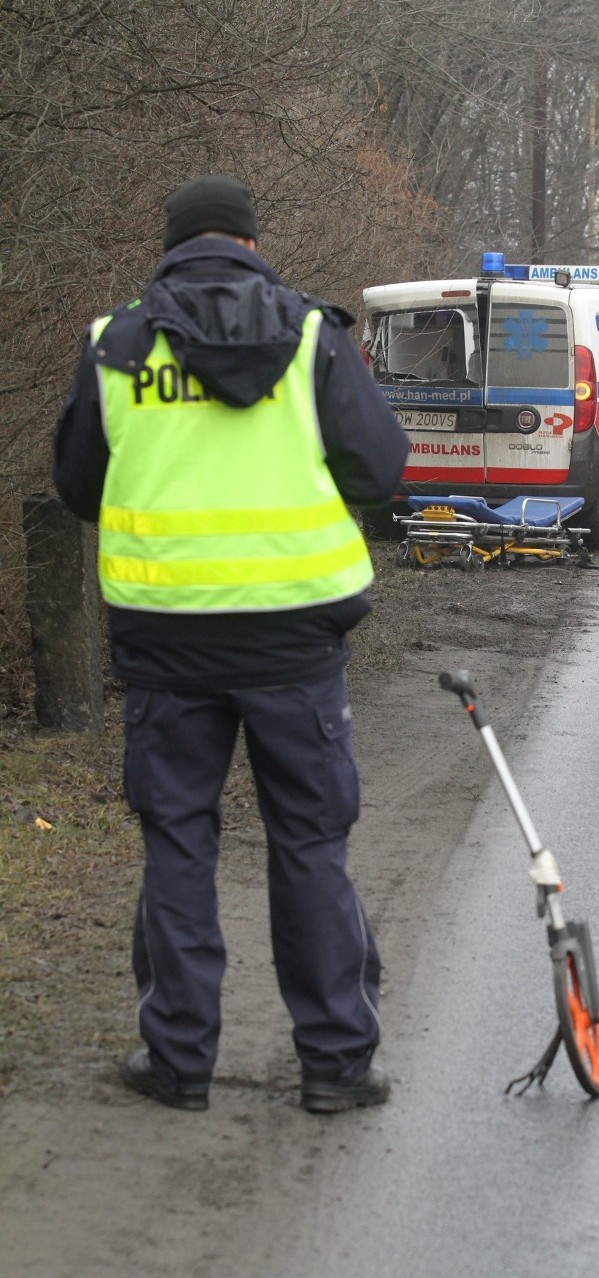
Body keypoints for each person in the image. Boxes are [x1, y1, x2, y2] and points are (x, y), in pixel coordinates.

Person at [52, 175, 410, 1114]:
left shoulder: (117, 344)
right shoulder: (309, 337)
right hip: (296, 636)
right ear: (252, 246)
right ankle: (334, 1064)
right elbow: (380, 468)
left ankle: (177, 1062)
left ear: (168, 248)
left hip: (167, 640)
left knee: (178, 843)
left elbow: (80, 491)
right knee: (309, 843)